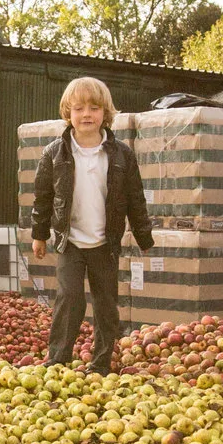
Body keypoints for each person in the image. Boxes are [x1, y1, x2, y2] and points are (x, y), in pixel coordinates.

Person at [28, 77, 152, 373]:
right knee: (68, 298)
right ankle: (57, 359)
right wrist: (39, 235)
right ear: (67, 113)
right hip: (70, 241)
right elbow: (43, 198)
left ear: (105, 113)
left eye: (94, 108)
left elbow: (135, 198)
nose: (87, 114)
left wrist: (143, 237)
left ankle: (101, 363)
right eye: (79, 108)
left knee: (106, 304)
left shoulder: (122, 154)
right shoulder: (54, 153)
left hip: (105, 243)